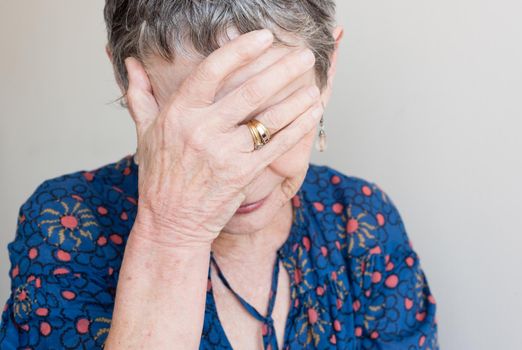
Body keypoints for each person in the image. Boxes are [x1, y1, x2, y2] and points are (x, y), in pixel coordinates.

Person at [0, 1, 439, 349]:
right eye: (196, 134)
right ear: (127, 83)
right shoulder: (67, 221)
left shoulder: (359, 218)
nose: (238, 177)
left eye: (270, 124)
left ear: (328, 71)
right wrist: (171, 234)